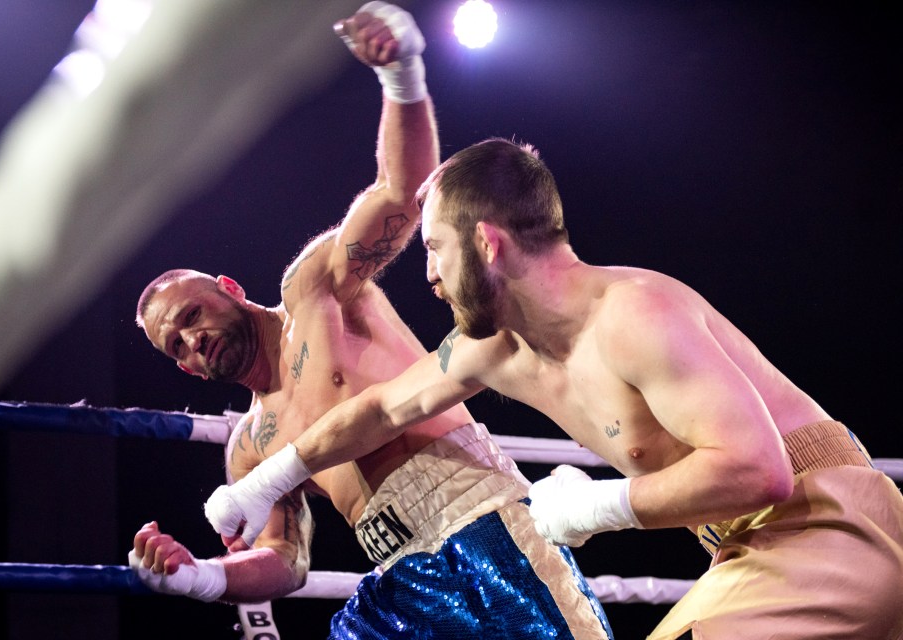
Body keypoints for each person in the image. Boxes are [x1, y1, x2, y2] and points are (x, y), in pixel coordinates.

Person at [206, 137, 903, 640]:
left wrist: (597, 506)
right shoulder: (494, 348)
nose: (429, 278)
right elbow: (382, 407)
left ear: (486, 243)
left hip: (825, 524)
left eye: (434, 249)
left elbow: (760, 470)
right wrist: (270, 478)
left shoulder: (632, 311)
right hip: (749, 547)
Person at [130, 7, 615, 639]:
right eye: (177, 347)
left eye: (191, 316)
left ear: (229, 289)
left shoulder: (314, 294)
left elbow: (400, 191)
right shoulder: (249, 447)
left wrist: (401, 76)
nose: (192, 341)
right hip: (396, 577)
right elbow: (284, 562)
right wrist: (200, 577)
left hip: (478, 524)